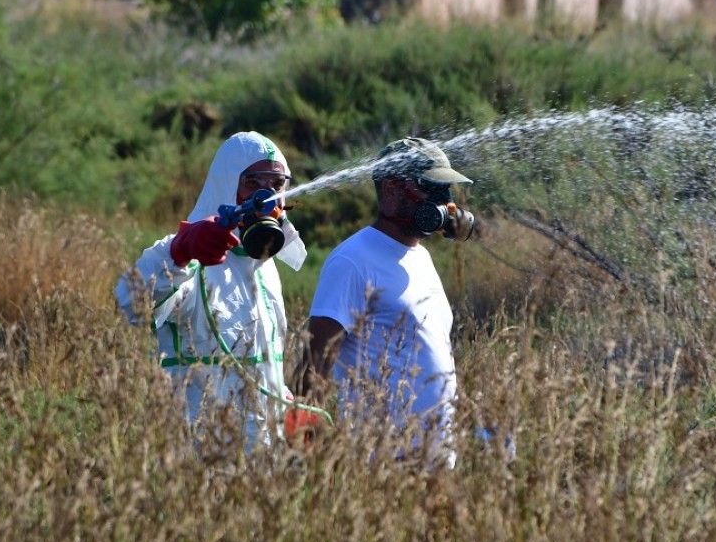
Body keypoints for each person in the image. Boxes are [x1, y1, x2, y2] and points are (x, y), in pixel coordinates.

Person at [115, 131, 310, 451]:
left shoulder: (265, 268)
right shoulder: (191, 257)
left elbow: (258, 363)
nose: (267, 196)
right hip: (202, 460)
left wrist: (284, 401)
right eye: (254, 183)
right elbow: (130, 302)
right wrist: (180, 250)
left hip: (265, 460)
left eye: (276, 186)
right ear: (226, 182)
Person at [294, 137, 476, 467]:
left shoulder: (421, 258)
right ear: (391, 191)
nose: (446, 203)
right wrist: (308, 457)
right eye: (432, 190)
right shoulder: (353, 261)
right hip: (383, 465)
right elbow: (313, 367)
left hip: (437, 462)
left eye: (446, 192)